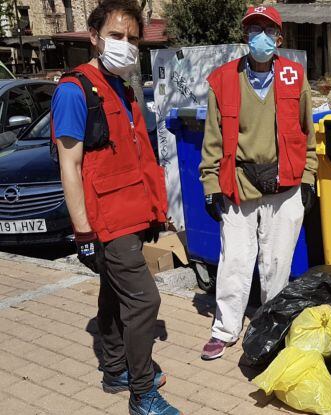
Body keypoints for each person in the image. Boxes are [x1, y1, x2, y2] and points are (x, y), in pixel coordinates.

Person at [51, 0, 180, 414]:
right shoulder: (74, 90)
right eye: (116, 36)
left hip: (129, 209)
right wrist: (84, 233)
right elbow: (69, 166)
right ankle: (142, 395)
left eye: (132, 39)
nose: (126, 45)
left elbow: (134, 154)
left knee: (113, 292)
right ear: (94, 37)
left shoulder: (122, 86)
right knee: (144, 303)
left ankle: (115, 369)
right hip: (106, 219)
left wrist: (154, 210)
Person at [199, 5, 317, 360]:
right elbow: (213, 139)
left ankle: (271, 325)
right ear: (245, 36)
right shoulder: (222, 80)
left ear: (279, 38)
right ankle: (226, 329)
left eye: (267, 30)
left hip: (285, 184)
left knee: (277, 262)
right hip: (239, 182)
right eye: (253, 30)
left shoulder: (295, 77)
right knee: (234, 259)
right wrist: (210, 185)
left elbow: (308, 133)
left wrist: (309, 178)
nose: (260, 37)